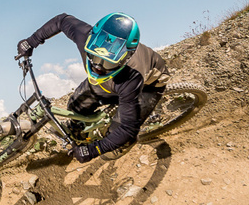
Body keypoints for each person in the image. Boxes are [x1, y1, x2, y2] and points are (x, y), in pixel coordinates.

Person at [17, 12, 169, 163]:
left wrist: (95, 150)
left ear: (125, 59)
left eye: (108, 63)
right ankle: (80, 134)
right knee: (75, 106)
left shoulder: (132, 76)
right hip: (113, 82)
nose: (98, 68)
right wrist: (31, 41)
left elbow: (128, 129)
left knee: (116, 139)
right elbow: (61, 20)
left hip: (149, 85)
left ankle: (122, 144)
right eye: (93, 57)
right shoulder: (85, 36)